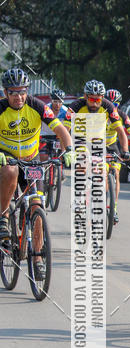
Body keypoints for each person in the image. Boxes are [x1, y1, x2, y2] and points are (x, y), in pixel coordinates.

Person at [0, 68, 72, 274]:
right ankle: (3, 218)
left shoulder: (37, 106)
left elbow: (60, 129)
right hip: (6, 160)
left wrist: (69, 149)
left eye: (22, 91)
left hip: (31, 161)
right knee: (11, 170)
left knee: (37, 205)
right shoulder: (0, 108)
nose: (18, 97)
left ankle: (38, 258)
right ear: (5, 93)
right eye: (13, 92)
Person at [64, 80, 130, 223]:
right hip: (80, 139)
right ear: (85, 97)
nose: (94, 103)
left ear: (102, 98)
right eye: (91, 99)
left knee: (103, 172)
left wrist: (125, 150)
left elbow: (121, 132)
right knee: (82, 163)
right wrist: (66, 150)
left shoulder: (108, 106)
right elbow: (65, 131)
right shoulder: (75, 106)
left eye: (98, 99)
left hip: (99, 142)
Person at [105, 89, 130, 200]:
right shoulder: (98, 114)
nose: (112, 107)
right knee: (102, 173)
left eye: (115, 104)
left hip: (112, 146)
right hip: (97, 145)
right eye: (109, 104)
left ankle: (114, 206)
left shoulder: (121, 115)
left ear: (119, 104)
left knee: (116, 173)